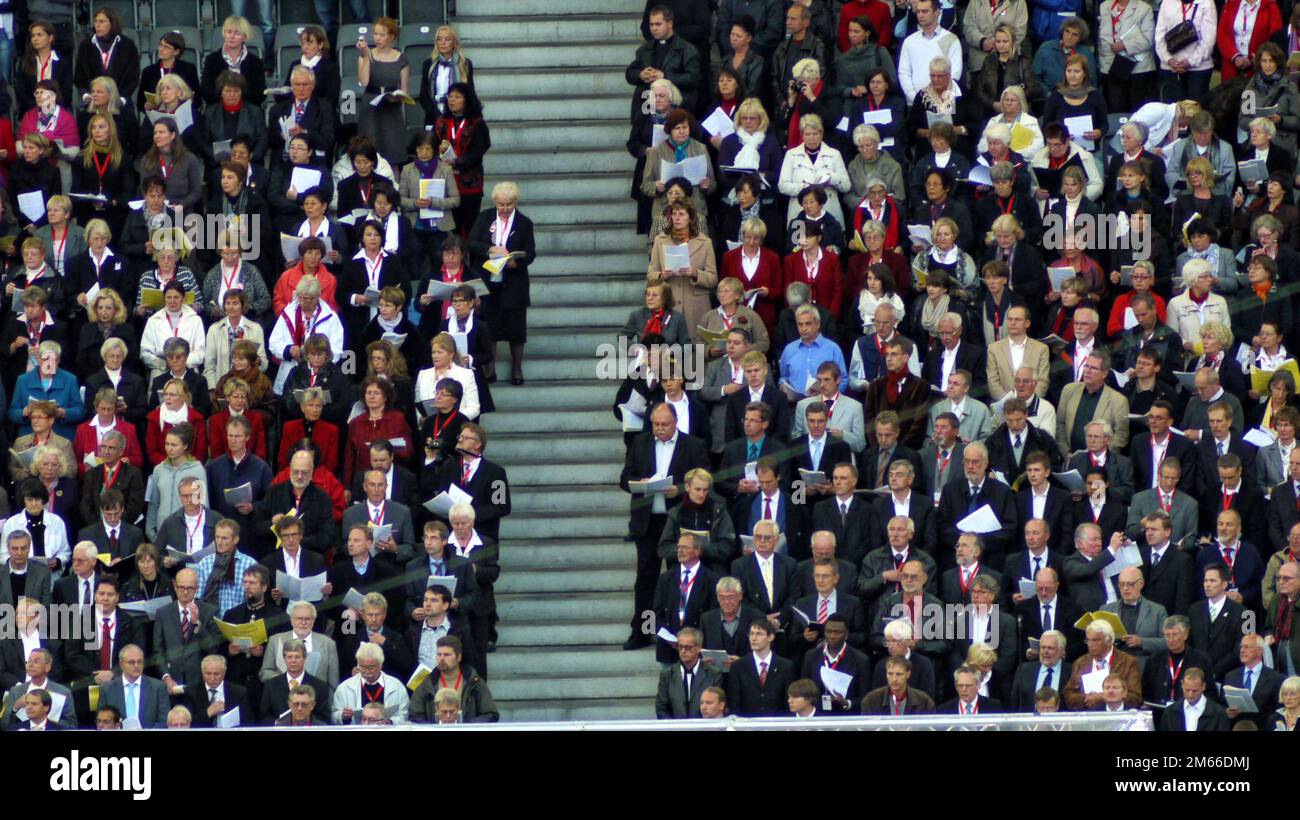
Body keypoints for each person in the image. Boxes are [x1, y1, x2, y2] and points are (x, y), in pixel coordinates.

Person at [467, 182, 535, 384]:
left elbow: (530, 253)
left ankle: (516, 369)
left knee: (516, 327)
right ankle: (490, 368)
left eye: (509, 204)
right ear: (495, 202)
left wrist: (516, 261)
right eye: (501, 204)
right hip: (488, 278)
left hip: (514, 281)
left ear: (516, 202)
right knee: (489, 324)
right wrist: (490, 249)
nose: (505, 209)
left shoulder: (524, 223)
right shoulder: (485, 217)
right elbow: (471, 242)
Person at [408, 635, 498, 722]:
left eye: (447, 655)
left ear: (458, 657)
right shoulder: (425, 683)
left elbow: (490, 714)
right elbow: (414, 715)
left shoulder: (475, 682)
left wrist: (466, 727)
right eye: (439, 654)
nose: (441, 658)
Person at [332, 642, 410, 726]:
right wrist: (342, 716)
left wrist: (391, 722)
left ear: (381, 665)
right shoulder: (344, 688)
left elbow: (405, 715)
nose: (367, 671)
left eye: (371, 668)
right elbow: (333, 716)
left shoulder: (396, 686)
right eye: (362, 667)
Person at [200, 17, 266, 107]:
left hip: (248, 110)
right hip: (218, 109)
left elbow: (260, 92)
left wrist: (237, 101)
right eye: (229, 32)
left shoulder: (255, 62)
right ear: (224, 34)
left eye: (237, 33)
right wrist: (227, 101)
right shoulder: (211, 60)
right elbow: (206, 91)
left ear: (245, 37)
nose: (232, 37)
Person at [182, 655, 251, 729]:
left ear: (224, 673)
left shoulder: (239, 692)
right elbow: (185, 723)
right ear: (202, 674)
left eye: (216, 674)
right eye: (208, 674)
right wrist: (208, 713)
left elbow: (248, 722)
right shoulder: (191, 693)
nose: (212, 678)